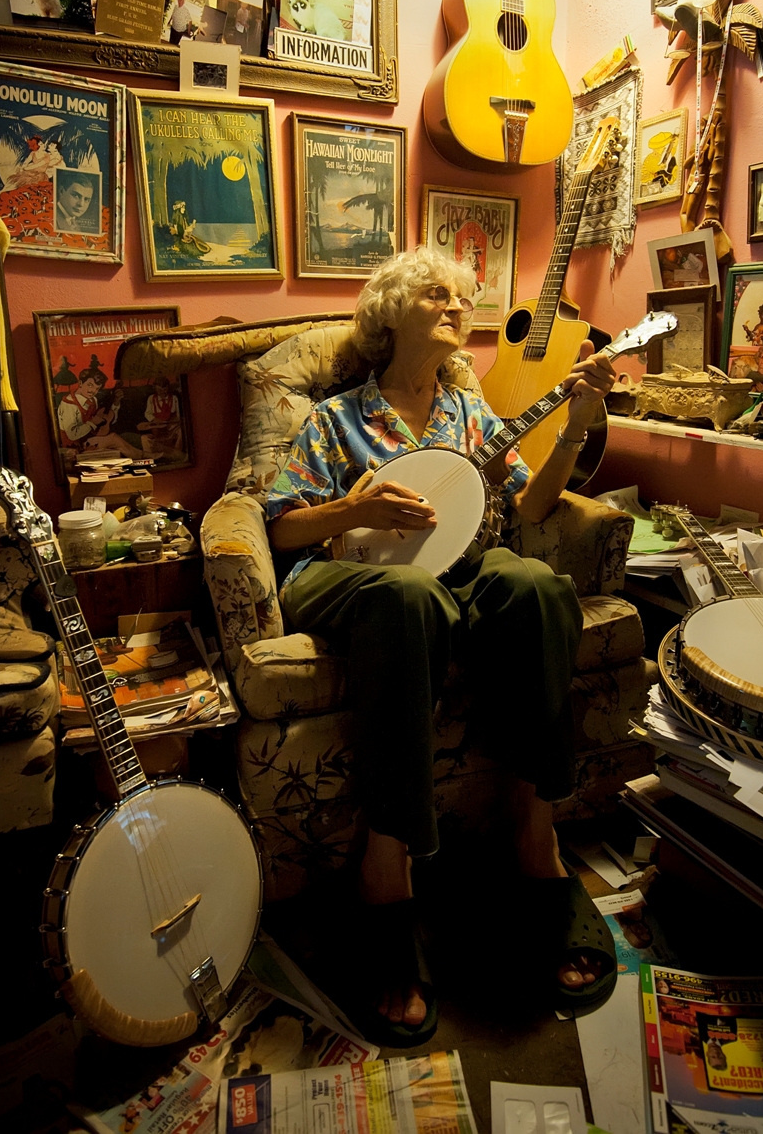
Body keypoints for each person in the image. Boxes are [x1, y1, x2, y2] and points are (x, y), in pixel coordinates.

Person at [265, 247, 619, 1046]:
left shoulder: (471, 414)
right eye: (437, 293)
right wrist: (353, 510)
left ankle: (536, 833)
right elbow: (281, 526)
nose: (460, 305)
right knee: (406, 593)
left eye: (464, 296)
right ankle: (385, 866)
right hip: (347, 576)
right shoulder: (336, 418)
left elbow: (533, 505)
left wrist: (577, 423)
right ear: (391, 312)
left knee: (535, 583)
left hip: (457, 570)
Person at [57, 363, 135, 457]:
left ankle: (141, 457)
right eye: (90, 385)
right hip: (73, 447)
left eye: (97, 388)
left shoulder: (93, 400)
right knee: (113, 438)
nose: (93, 391)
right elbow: (72, 435)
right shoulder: (68, 404)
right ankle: (142, 456)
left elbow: (105, 420)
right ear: (80, 383)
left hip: (90, 440)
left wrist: (116, 402)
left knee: (121, 441)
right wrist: (92, 423)